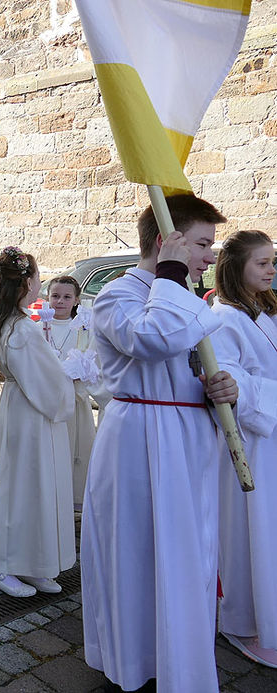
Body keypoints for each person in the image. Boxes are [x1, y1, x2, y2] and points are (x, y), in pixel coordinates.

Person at [81, 195, 238, 692]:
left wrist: (216, 390)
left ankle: (180, 657)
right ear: (163, 242)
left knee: (183, 555)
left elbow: (184, 366)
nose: (211, 257)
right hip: (139, 440)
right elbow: (150, 340)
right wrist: (171, 277)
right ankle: (135, 663)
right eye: (201, 244)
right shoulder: (116, 296)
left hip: (185, 437)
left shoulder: (184, 294)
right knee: (137, 553)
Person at [0, 247, 75, 598]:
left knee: (37, 489)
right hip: (32, 414)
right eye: (36, 277)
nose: (39, 283)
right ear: (26, 283)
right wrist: (70, 378)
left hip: (28, 410)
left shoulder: (14, 322)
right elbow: (46, 383)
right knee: (21, 490)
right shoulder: (21, 329)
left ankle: (33, 561)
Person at [210, 230, 277, 668]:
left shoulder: (264, 312)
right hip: (249, 441)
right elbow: (229, 383)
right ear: (237, 269)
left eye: (273, 262)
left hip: (271, 436)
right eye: (263, 263)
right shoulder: (222, 319)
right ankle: (240, 621)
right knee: (246, 532)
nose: (272, 270)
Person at [44, 275, 107, 509]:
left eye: (67, 297)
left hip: (75, 398)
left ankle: (76, 500)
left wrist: (82, 368)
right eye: (55, 296)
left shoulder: (84, 328)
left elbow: (93, 360)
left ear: (77, 300)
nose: (60, 301)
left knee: (77, 453)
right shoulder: (39, 326)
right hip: (49, 400)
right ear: (47, 298)